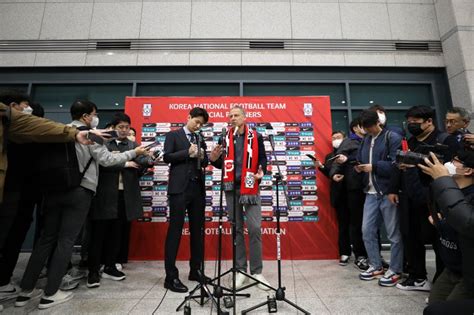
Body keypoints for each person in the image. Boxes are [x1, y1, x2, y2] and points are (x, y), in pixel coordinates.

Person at [15, 100, 149, 310]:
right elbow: (107, 160)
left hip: (53, 191)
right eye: (94, 114)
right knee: (66, 241)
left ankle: (25, 291)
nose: (95, 118)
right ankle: (50, 293)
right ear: (87, 116)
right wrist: (135, 152)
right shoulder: (90, 134)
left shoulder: (57, 131)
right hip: (80, 191)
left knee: (45, 240)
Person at [392, 105, 458, 292]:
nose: (412, 126)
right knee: (410, 237)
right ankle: (417, 277)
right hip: (409, 196)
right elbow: (399, 166)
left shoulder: (446, 141)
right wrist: (393, 189)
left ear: (429, 121)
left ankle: (442, 284)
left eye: (416, 123)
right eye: (409, 123)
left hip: (435, 198)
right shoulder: (408, 142)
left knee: (440, 241)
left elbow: (452, 171)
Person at [87, 113, 152, 288]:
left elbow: (141, 159)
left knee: (117, 232)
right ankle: (93, 270)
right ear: (113, 128)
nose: (124, 130)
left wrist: (150, 158)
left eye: (127, 127)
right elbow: (102, 162)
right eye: (121, 127)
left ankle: (110, 266)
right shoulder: (103, 141)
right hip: (105, 194)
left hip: (125, 194)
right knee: (99, 233)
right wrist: (124, 163)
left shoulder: (132, 144)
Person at [209, 106, 269, 290]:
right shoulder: (224, 137)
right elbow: (220, 164)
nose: (232, 118)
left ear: (244, 117)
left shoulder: (256, 136)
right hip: (231, 188)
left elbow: (263, 159)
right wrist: (213, 159)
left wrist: (262, 171)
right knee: (236, 230)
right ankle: (240, 270)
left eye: (236, 115)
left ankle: (257, 272)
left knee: (254, 228)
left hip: (250, 187)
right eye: (230, 116)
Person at [418, 151, 474, 314]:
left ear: (468, 170)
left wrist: (443, 180)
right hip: (450, 268)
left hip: (468, 273)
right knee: (433, 306)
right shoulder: (448, 191)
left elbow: (465, 221)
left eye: (455, 161)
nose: (448, 165)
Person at [162, 107, 209, 293]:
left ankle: (195, 270)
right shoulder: (173, 136)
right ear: (188, 117)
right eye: (196, 122)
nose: (198, 126)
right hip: (179, 189)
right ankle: (170, 276)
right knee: (175, 230)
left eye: (201, 124)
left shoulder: (200, 138)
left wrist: (207, 158)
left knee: (197, 231)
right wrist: (187, 153)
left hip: (197, 189)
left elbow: (202, 163)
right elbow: (167, 157)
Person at [355, 110, 404, 287]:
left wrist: (373, 167)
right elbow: (361, 159)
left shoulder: (393, 137)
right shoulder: (366, 140)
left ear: (378, 122)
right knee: (367, 231)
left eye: (369, 127)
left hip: (387, 192)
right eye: (364, 128)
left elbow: (397, 164)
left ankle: (396, 269)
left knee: (393, 234)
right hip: (370, 192)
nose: (367, 130)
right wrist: (359, 167)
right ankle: (375, 265)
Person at [330, 118, 369, 270]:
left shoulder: (369, 140)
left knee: (371, 226)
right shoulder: (348, 142)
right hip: (355, 188)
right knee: (357, 223)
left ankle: (374, 256)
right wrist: (334, 174)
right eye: (364, 125)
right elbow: (336, 161)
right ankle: (360, 255)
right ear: (356, 128)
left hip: (370, 187)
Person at [314, 131, 352, 265]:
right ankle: (345, 253)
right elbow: (329, 173)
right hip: (339, 195)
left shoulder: (352, 152)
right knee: (343, 226)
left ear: (345, 139)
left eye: (338, 138)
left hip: (354, 193)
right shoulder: (330, 156)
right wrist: (321, 167)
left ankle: (362, 255)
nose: (335, 140)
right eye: (333, 138)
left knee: (359, 226)